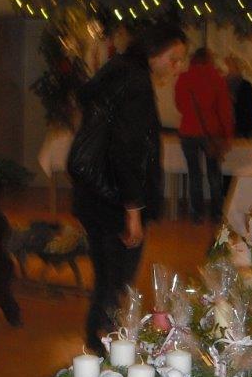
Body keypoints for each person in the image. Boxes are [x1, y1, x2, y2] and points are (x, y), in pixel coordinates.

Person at [70, 21, 188, 352]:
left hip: (98, 196)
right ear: (154, 52)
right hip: (115, 201)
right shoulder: (134, 82)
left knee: (108, 280)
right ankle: (105, 349)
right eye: (174, 59)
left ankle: (102, 345)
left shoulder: (118, 71)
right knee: (116, 283)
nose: (177, 67)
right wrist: (133, 210)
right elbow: (126, 150)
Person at [174, 47, 234, 223]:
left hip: (188, 132)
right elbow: (224, 111)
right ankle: (217, 213)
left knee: (194, 173)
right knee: (214, 174)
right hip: (211, 133)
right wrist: (227, 135)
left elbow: (179, 105)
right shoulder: (217, 79)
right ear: (209, 60)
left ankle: (196, 214)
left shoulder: (183, 78)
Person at [225, 54, 252, 138]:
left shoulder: (245, 86)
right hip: (243, 129)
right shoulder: (246, 85)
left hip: (240, 129)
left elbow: (251, 109)